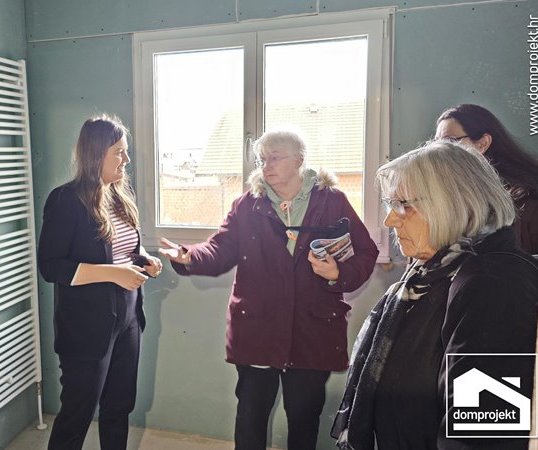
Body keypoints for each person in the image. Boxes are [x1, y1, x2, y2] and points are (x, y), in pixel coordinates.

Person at [159, 130, 378, 450]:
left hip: (312, 330)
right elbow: (220, 248)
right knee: (250, 418)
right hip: (258, 329)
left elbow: (366, 252)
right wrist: (190, 256)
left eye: (275, 157)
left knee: (304, 420)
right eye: (262, 159)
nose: (266, 165)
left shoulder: (332, 201)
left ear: (299, 160)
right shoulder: (247, 205)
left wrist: (338, 273)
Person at [332, 141, 538, 450]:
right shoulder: (432, 271)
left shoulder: (495, 285)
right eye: (391, 205)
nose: (390, 220)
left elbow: (484, 434)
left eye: (403, 205)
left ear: (454, 202)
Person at [37, 115, 161, 449]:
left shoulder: (119, 197)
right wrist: (115, 273)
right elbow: (51, 267)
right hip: (85, 326)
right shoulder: (65, 200)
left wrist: (144, 259)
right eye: (119, 152)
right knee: (77, 414)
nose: (127, 159)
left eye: (126, 151)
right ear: (95, 154)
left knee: (119, 408)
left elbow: (123, 249)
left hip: (128, 319)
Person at [435, 103, 538, 254]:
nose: (440, 151)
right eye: (437, 143)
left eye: (449, 141)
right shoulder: (449, 197)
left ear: (483, 143)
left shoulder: (531, 201)